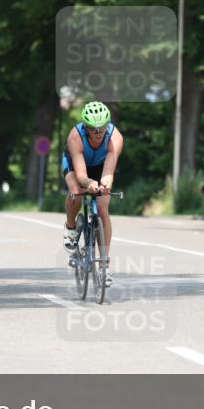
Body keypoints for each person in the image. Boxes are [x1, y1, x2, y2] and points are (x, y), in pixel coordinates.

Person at [61, 101, 123, 287]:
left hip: (100, 167)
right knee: (76, 192)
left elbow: (109, 171)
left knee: (103, 209)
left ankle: (104, 266)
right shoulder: (75, 136)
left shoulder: (115, 138)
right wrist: (88, 184)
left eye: (102, 128)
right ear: (85, 127)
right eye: (93, 128)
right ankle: (71, 228)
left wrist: (105, 184)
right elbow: (81, 175)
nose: (98, 132)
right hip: (77, 165)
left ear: (108, 125)